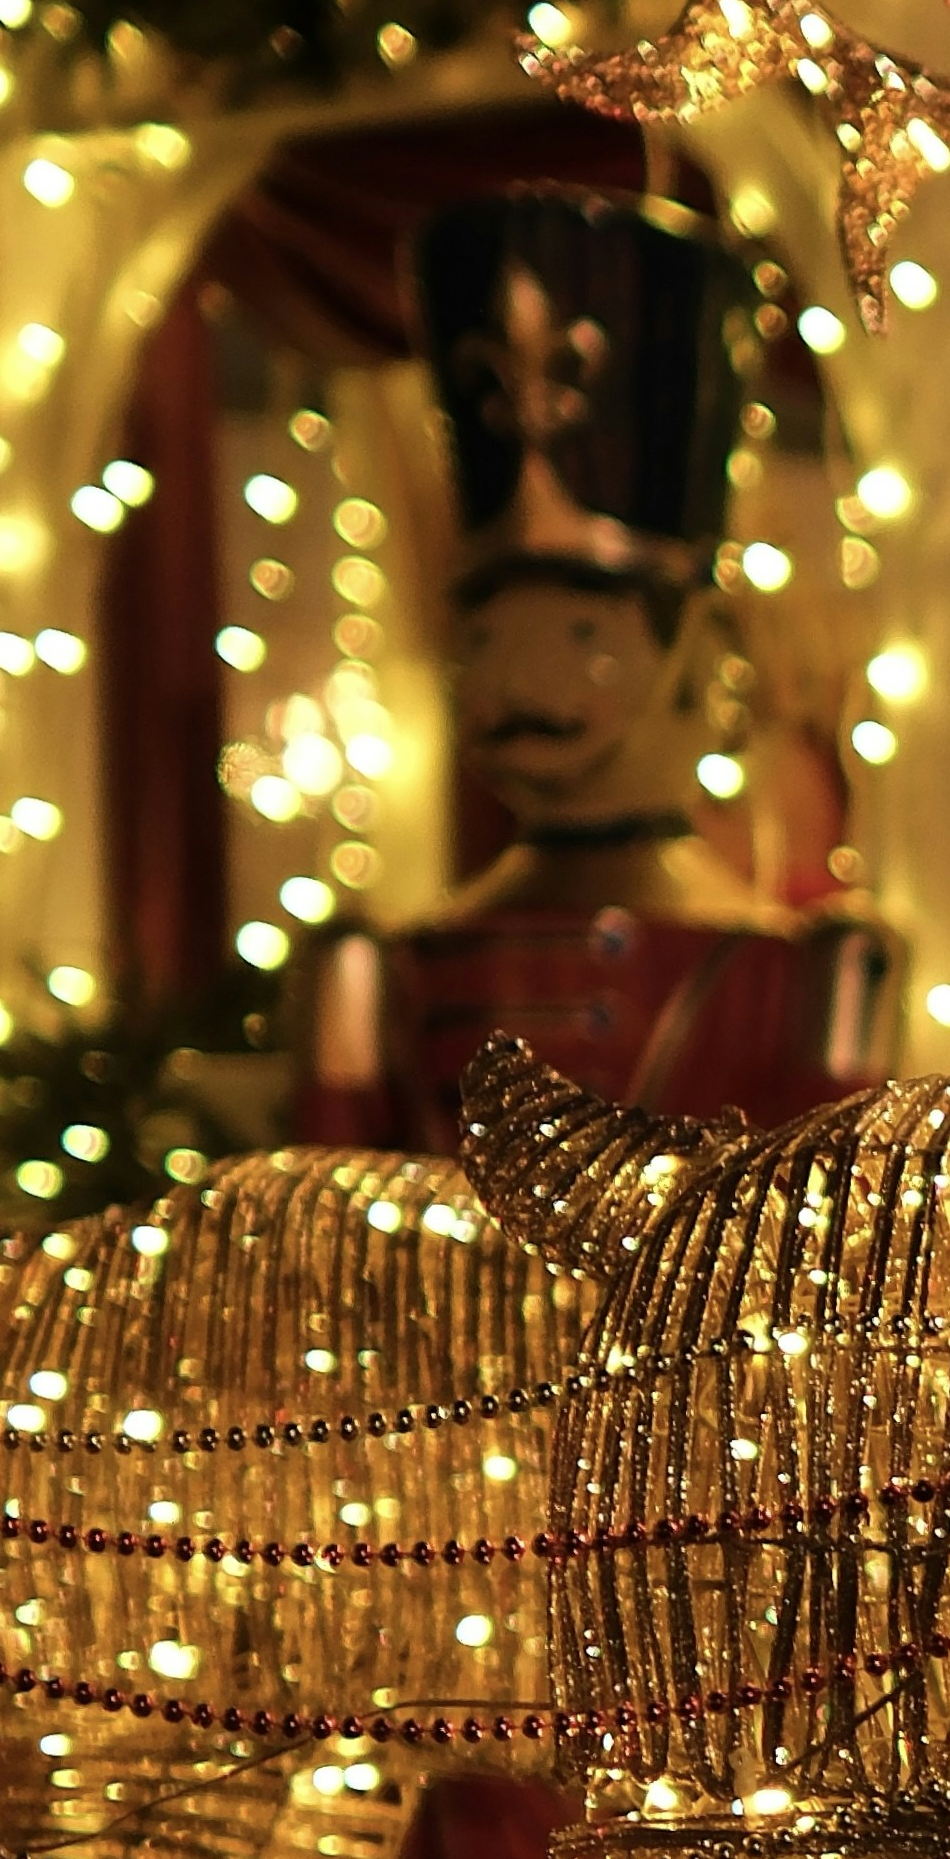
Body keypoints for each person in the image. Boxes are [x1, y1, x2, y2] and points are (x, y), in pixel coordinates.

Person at [296, 191, 888, 1148]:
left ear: (700, 656)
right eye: (487, 643)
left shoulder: (810, 975)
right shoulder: (380, 970)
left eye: (582, 638)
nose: (521, 683)